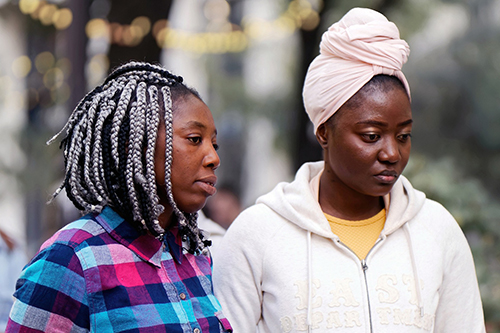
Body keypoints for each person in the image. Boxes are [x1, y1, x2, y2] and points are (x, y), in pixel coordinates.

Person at [213, 8, 485, 332]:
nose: (391, 153)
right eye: (371, 136)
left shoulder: (437, 231)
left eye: (403, 136)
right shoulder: (256, 235)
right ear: (324, 132)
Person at [7, 62, 232, 332]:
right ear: (134, 146)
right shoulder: (70, 258)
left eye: (214, 144)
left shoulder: (195, 253)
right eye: (195, 139)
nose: (214, 158)